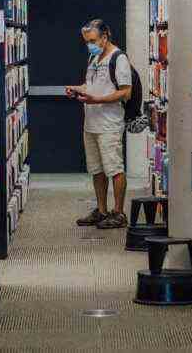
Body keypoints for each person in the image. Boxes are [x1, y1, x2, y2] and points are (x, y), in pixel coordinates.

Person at [66, 19, 131, 229]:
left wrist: (98, 100)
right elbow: (92, 85)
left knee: (115, 168)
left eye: (93, 40)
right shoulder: (94, 57)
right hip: (91, 123)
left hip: (109, 124)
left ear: (105, 37)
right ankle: (102, 211)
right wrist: (78, 89)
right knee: (96, 169)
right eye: (86, 41)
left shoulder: (118, 58)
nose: (89, 44)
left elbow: (125, 91)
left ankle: (119, 213)